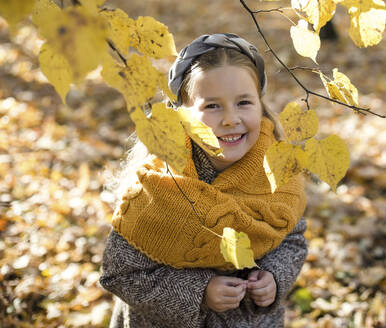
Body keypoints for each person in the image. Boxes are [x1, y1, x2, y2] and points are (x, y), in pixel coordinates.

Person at [100, 33, 308, 328]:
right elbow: (120, 273)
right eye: (212, 106)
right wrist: (198, 292)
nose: (230, 119)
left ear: (260, 106)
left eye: (244, 103)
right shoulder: (156, 188)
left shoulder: (278, 172)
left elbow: (293, 240)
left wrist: (274, 276)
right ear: (181, 115)